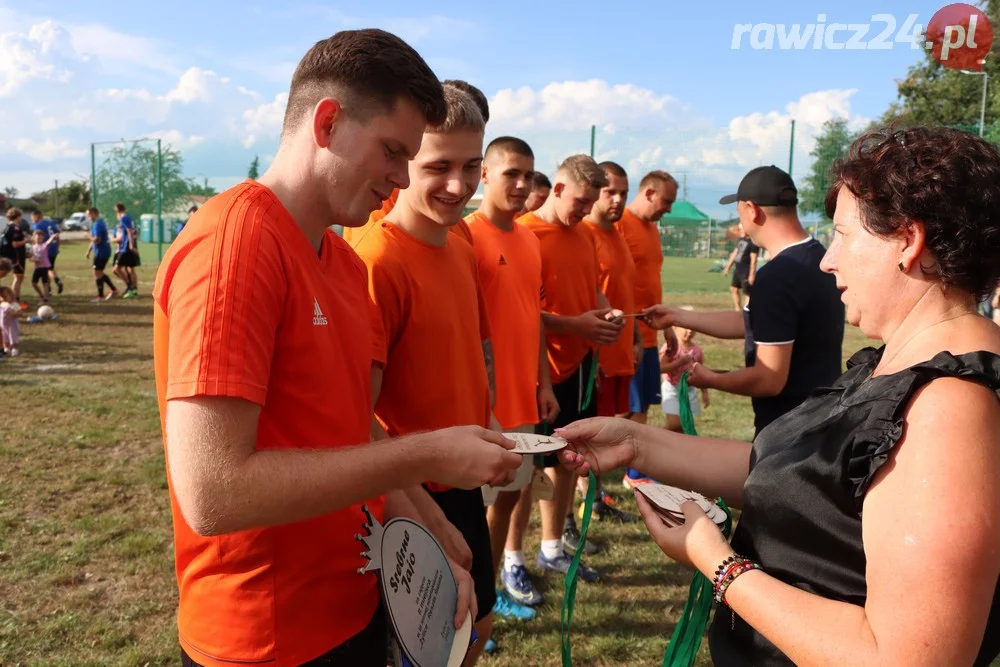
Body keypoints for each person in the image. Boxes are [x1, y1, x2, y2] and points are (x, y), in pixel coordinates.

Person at [559, 126, 1000, 666]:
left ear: (907, 241)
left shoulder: (949, 407)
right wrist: (635, 443)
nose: (826, 259)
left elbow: (906, 658)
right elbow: (802, 477)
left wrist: (715, 561)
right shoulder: (897, 364)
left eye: (843, 234)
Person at [152, 30, 521, 667]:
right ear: (327, 122)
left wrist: (434, 528)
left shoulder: (341, 262)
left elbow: (353, 425)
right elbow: (213, 492)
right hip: (265, 638)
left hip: (351, 606)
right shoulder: (236, 247)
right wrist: (429, 453)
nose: (402, 176)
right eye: (392, 150)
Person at [355, 84, 512, 666]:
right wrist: (423, 509)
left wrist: (492, 423)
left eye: (472, 166)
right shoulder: (377, 261)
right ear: (403, 162)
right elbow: (357, 415)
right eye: (438, 166)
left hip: (465, 481)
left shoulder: (461, 240)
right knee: (431, 646)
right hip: (413, 499)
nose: (459, 184)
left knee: (477, 625)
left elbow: (467, 347)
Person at [644, 166, 844, 436]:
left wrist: (711, 379)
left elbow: (768, 379)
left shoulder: (778, 275)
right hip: (819, 418)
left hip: (788, 430)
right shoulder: (818, 258)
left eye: (739, 212)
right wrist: (677, 316)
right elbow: (756, 322)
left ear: (752, 210)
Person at [466, 136, 558, 620]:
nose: (522, 184)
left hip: (524, 400)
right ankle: (472, 603)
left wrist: (543, 382)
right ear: (485, 175)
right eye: (511, 174)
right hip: (484, 407)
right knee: (473, 514)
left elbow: (533, 316)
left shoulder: (528, 239)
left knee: (508, 498)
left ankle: (495, 585)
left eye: (529, 174)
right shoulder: (467, 236)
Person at [519, 154, 623, 578]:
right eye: (580, 201)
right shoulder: (527, 234)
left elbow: (591, 290)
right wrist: (575, 325)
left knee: (571, 457)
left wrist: (605, 311)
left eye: (589, 204)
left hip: (580, 366)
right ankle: (523, 554)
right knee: (537, 467)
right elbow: (521, 312)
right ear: (558, 189)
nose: (584, 212)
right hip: (541, 369)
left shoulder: (582, 235)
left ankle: (555, 540)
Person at [345, 79, 491, 248]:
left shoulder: (463, 246)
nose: (457, 187)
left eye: (471, 166)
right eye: (439, 168)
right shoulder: (380, 203)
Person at [577, 160, 640, 523]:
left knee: (608, 424)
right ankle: (589, 499)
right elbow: (584, 298)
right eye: (610, 192)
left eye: (622, 193)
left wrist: (632, 340)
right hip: (595, 354)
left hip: (620, 351)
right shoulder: (586, 234)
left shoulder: (618, 235)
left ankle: (595, 495)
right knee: (590, 429)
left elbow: (622, 293)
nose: (617, 200)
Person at [615, 170, 678, 487]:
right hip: (628, 334)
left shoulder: (652, 229)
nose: (668, 209)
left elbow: (650, 280)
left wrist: (667, 326)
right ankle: (604, 472)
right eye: (666, 201)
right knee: (624, 408)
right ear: (649, 193)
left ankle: (634, 472)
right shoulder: (619, 223)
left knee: (643, 406)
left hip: (651, 334)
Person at [658, 308, 710, 433]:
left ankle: (676, 447)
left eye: (692, 328)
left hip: (689, 390)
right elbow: (661, 368)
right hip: (672, 389)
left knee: (685, 424)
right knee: (674, 424)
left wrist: (704, 392)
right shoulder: (670, 348)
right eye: (685, 327)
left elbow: (700, 370)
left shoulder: (697, 350)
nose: (689, 331)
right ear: (675, 328)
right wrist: (679, 362)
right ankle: (658, 436)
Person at [85, 207, 118, 301]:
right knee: (99, 272)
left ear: (93, 213)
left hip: (101, 252)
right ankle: (113, 289)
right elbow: (95, 240)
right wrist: (88, 251)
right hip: (102, 251)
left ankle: (101, 296)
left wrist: (87, 236)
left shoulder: (98, 224)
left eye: (88, 214)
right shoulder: (98, 223)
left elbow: (97, 240)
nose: (88, 217)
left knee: (97, 273)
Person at [723, 223, 758, 311]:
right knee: (733, 288)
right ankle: (737, 309)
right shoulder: (740, 239)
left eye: (742, 229)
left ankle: (747, 311)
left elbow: (754, 260)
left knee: (748, 292)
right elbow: (735, 253)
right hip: (738, 269)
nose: (741, 231)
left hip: (746, 270)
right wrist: (728, 267)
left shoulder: (753, 242)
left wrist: (752, 275)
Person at [1, 208, 30, 309]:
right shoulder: (16, 228)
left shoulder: (7, 227)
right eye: (21, 216)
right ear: (18, 216)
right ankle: (15, 301)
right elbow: (14, 244)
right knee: (18, 278)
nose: (21, 218)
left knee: (17, 278)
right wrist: (26, 240)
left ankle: (14, 299)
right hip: (16, 258)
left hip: (11, 257)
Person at [30, 210, 63, 294]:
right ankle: (49, 289)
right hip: (53, 248)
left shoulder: (37, 225)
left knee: (47, 269)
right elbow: (57, 235)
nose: (32, 220)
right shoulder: (50, 223)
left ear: (37, 216)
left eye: (32, 218)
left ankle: (54, 283)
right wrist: (57, 247)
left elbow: (35, 238)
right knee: (49, 268)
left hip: (44, 249)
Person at [112, 203, 139, 298]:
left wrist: (131, 245)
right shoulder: (130, 218)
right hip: (129, 246)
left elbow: (129, 231)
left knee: (116, 269)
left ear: (117, 210)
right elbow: (136, 231)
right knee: (130, 269)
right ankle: (133, 290)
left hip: (126, 247)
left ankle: (130, 287)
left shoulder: (124, 218)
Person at [28, 230, 55, 304]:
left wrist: (52, 237)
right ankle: (42, 295)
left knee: (45, 283)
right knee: (34, 283)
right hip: (37, 268)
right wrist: (34, 260)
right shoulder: (32, 247)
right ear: (34, 238)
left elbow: (48, 242)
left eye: (41, 236)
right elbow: (30, 258)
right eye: (37, 236)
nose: (39, 237)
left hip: (44, 267)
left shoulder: (44, 245)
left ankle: (45, 298)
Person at [0, 285, 20, 357]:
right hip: (3, 325)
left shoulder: (14, 305)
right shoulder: (2, 304)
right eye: (2, 297)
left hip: (12, 325)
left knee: (13, 336)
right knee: (5, 336)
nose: (3, 299)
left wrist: (14, 314)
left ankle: (15, 348)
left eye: (5, 296)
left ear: (11, 296)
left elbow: (20, 313)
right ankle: (6, 347)